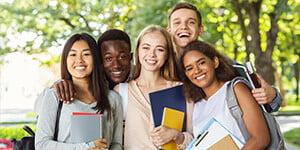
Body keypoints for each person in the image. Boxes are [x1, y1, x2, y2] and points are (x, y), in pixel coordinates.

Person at [166, 2, 282, 112]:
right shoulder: (163, 67)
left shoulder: (223, 64)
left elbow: (268, 102)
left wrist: (272, 96)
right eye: (177, 22)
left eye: (191, 22)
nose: (184, 27)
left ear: (200, 30)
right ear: (169, 31)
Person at [35, 33, 123, 150]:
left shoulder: (113, 98)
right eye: (73, 54)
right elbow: (42, 144)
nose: (79, 60)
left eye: (86, 54)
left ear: (95, 59)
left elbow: (116, 144)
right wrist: (86, 147)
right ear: (65, 60)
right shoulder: (54, 95)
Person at [178, 40, 270, 149]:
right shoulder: (196, 104)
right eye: (190, 68)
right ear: (186, 74)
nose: (197, 70)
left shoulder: (236, 89)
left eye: (201, 63)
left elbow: (261, 138)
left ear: (215, 62)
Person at [113, 25, 192, 149]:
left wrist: (176, 136)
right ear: (137, 51)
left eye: (159, 49)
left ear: (167, 54)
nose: (152, 54)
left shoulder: (181, 90)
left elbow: (195, 137)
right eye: (146, 48)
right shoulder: (121, 92)